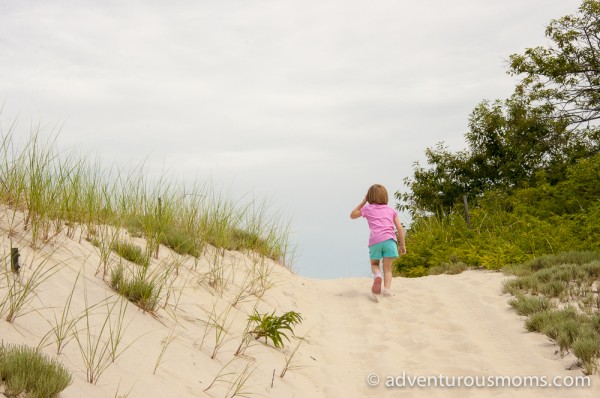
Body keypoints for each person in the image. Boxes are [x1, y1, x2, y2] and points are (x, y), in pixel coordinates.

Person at [350, 184, 406, 296]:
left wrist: (363, 202)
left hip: (375, 241)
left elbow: (352, 215)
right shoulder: (391, 210)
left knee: (375, 264)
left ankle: (377, 275)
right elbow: (399, 228)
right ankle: (387, 290)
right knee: (388, 268)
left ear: (369, 197)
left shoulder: (367, 208)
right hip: (390, 240)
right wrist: (402, 245)